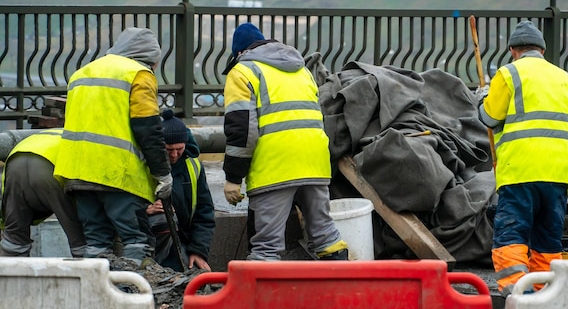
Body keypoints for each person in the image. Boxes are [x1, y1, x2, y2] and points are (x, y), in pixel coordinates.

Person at [476, 20, 568, 301]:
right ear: (542, 50)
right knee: (548, 239)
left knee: (512, 234)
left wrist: (482, 99)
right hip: (559, 173)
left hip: (520, 171)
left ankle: (515, 295)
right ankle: (545, 295)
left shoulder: (508, 74)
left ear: (513, 50)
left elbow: (489, 118)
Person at [222, 22, 348, 261]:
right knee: (325, 236)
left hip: (275, 167)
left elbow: (241, 130)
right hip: (315, 163)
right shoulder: (302, 71)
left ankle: (262, 298)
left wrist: (233, 178)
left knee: (266, 247)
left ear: (239, 53)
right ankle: (338, 291)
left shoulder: (243, 71)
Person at [53, 27, 172, 265]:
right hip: (117, 174)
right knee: (137, 240)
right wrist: (163, 173)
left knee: (96, 244)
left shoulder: (82, 73)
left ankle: (96, 295)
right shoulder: (138, 74)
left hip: (77, 172)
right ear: (149, 58)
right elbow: (147, 127)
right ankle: (131, 295)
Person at [144, 109, 215, 271]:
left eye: (179, 149)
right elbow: (126, 205)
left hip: (184, 238)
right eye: (169, 150)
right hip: (153, 235)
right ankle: (155, 270)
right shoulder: (145, 166)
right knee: (162, 218)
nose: (175, 155)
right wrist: (146, 209)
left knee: (197, 274)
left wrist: (198, 251)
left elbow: (204, 214)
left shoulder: (194, 166)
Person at [0, 128, 86, 258]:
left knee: (14, 240)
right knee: (80, 238)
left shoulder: (62, 132)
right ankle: (89, 273)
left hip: (16, 160)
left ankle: (7, 275)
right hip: (50, 166)